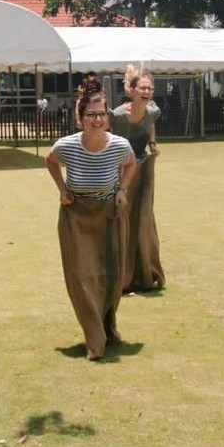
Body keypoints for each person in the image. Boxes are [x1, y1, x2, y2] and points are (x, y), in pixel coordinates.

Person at [46, 77, 136, 361]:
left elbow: (131, 164)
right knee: (81, 276)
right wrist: (62, 190)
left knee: (111, 275)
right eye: (91, 115)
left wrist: (122, 190)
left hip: (109, 215)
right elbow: (50, 161)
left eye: (101, 114)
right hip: (76, 216)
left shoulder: (119, 145)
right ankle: (94, 339)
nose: (97, 120)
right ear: (80, 118)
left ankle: (108, 327)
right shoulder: (67, 145)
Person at [108, 65, 165, 291]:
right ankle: (121, 275)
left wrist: (152, 143)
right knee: (122, 215)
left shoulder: (152, 110)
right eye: (143, 88)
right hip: (120, 169)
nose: (147, 91)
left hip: (142, 167)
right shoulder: (118, 115)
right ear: (131, 91)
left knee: (142, 216)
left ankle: (144, 270)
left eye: (150, 88)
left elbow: (150, 124)